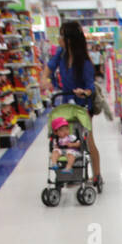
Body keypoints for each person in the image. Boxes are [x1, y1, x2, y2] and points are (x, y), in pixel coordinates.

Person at [47, 20, 101, 188]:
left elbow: (90, 85)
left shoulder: (84, 62)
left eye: (62, 35)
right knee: (65, 138)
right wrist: (45, 79)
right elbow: (49, 67)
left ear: (69, 39)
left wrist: (85, 92)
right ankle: (70, 173)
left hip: (82, 106)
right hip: (66, 104)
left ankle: (97, 175)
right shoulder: (61, 54)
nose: (59, 38)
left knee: (87, 140)